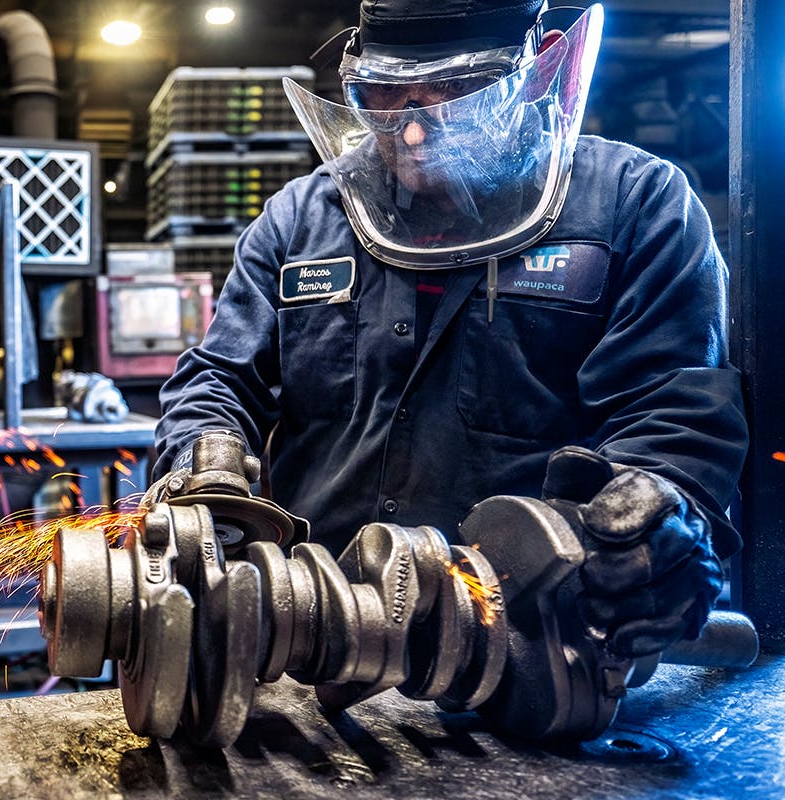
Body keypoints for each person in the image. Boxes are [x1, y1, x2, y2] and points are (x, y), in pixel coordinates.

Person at [153, 0, 748, 661]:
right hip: (316, 637)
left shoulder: (636, 205)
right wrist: (203, 461)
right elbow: (219, 375)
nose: (411, 131)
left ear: (541, 67)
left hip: (531, 651)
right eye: (384, 94)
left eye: (454, 92)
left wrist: (651, 517)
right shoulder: (302, 218)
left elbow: (672, 415)